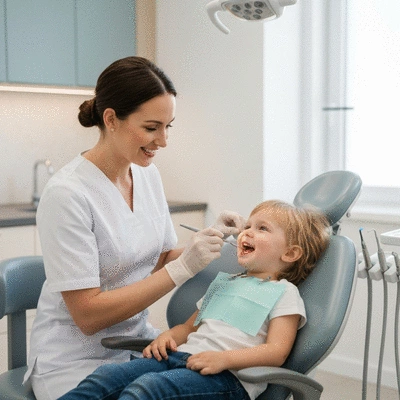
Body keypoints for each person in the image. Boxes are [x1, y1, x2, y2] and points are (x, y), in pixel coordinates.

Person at [23, 56, 245, 400]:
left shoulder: (146, 174)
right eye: (151, 127)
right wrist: (183, 267)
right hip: (74, 360)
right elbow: (88, 315)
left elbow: (154, 260)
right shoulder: (67, 195)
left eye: (168, 127)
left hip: (137, 345)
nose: (163, 141)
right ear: (111, 119)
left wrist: (208, 239)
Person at [59, 200, 330, 400]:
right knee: (106, 377)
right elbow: (189, 329)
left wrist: (224, 359)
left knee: (147, 390)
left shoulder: (284, 292)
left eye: (262, 228)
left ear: (291, 253)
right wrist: (168, 338)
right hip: (182, 358)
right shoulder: (224, 282)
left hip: (228, 378)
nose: (246, 232)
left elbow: (276, 351)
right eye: (247, 226)